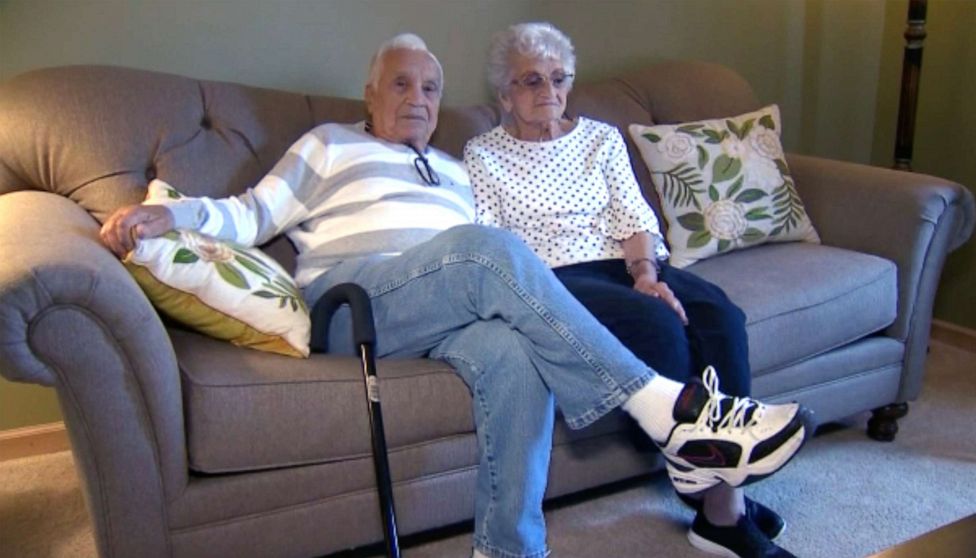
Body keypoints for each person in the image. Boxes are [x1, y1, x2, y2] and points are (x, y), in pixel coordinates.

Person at [101, 33, 809, 558]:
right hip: (360, 301)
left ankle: (509, 549)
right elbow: (251, 214)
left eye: (430, 89)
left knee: (513, 351)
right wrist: (177, 215)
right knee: (489, 251)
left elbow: (505, 271)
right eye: (401, 85)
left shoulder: (454, 168)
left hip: (448, 307)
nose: (417, 99)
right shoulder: (327, 145)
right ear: (371, 94)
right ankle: (669, 412)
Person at [465, 22, 800, 558]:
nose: (548, 92)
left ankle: (721, 497)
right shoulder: (483, 154)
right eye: (531, 81)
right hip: (554, 277)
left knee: (719, 314)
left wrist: (647, 276)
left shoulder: (600, 137)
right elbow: (494, 241)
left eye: (558, 78)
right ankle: (724, 513)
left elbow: (631, 213)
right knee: (658, 328)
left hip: (627, 262)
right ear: (503, 94)